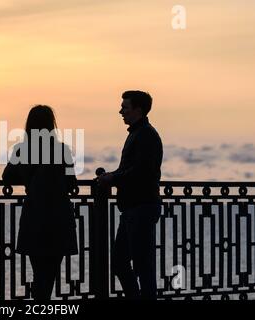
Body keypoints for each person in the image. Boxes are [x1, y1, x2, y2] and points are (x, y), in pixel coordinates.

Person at [2, 105, 78, 300]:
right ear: (51, 124)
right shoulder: (63, 150)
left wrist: (29, 178)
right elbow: (71, 183)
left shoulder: (22, 150)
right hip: (59, 217)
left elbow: (7, 177)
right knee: (50, 273)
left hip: (35, 216)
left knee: (39, 273)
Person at [98, 90, 163, 299]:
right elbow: (132, 169)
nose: (120, 111)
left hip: (140, 208)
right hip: (134, 208)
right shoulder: (139, 133)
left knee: (141, 266)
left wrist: (113, 179)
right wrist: (112, 177)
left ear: (138, 110)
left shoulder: (145, 135)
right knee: (124, 262)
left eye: (125, 107)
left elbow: (141, 171)